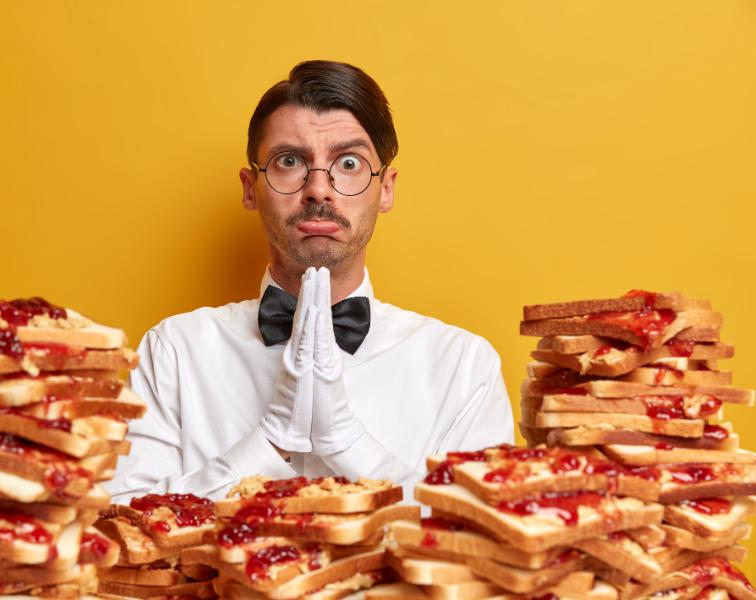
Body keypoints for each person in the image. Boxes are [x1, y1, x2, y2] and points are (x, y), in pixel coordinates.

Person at [106, 60, 513, 503]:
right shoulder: (173, 353)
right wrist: (267, 442)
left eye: (349, 162)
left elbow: (479, 539)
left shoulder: (464, 367)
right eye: (289, 161)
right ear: (249, 187)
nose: (319, 189)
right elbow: (123, 528)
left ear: (387, 189)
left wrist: (348, 443)